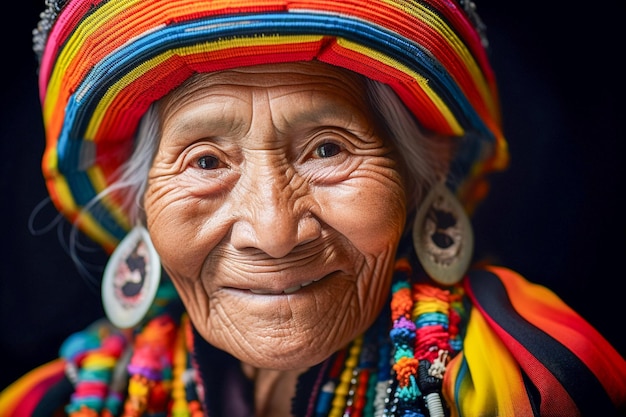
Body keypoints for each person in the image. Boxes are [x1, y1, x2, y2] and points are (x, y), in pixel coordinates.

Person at [0, 0, 624, 416]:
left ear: (419, 177)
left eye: (327, 149)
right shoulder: (65, 400)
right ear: (139, 207)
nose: (273, 231)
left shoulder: (535, 382)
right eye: (207, 162)